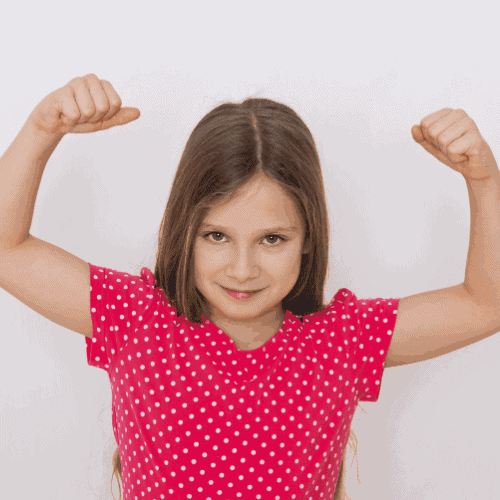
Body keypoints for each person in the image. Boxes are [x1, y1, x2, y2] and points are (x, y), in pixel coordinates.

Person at [0, 74, 499, 500]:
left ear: (308, 238)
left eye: (272, 239)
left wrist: (482, 179)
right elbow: (7, 250)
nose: (242, 269)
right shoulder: (137, 318)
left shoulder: (340, 342)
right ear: (184, 232)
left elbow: (487, 303)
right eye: (216, 236)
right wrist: (43, 127)